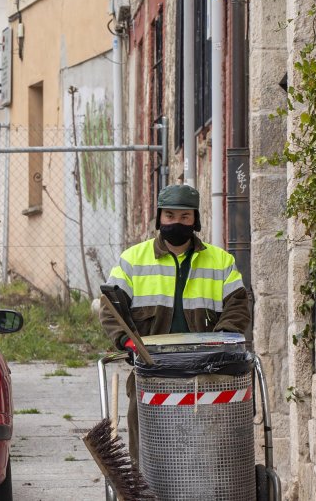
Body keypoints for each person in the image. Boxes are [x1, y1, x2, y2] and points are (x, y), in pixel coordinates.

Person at [98, 183, 252, 461]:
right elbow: (111, 309)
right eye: (170, 216)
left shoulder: (220, 262)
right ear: (159, 218)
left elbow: (238, 306)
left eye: (184, 217)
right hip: (152, 370)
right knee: (148, 446)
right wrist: (129, 342)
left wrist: (222, 342)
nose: (176, 223)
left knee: (208, 447)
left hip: (208, 373)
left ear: (195, 219)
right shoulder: (133, 260)